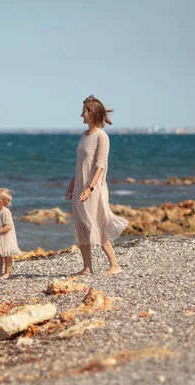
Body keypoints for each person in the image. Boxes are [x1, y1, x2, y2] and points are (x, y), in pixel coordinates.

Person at [65, 95, 129, 275]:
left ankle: (114, 265)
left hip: (93, 188)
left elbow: (100, 166)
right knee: (81, 225)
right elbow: (80, 165)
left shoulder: (102, 137)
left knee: (97, 224)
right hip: (80, 186)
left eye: (84, 111)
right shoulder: (84, 135)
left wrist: (89, 188)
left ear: (92, 113)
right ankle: (87, 267)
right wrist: (72, 185)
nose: (81, 115)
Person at [0, 188, 22, 278]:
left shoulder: (6, 212)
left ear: (0, 202)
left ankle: (7, 273)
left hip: (5, 238)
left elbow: (9, 226)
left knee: (7, 256)